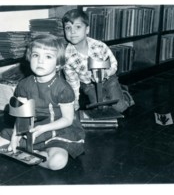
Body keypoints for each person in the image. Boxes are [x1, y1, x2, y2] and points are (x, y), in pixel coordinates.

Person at [0, 34, 85, 170]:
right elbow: (21, 116)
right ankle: (33, 154)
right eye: (35, 55)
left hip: (57, 132)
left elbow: (68, 120)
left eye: (48, 56)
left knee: (57, 162)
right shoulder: (23, 85)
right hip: (29, 129)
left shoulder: (63, 88)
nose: (40, 61)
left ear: (58, 63)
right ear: (29, 58)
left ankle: (36, 156)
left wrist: (43, 128)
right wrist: (16, 135)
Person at [62, 9, 134, 112]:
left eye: (78, 27)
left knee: (120, 108)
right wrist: (75, 100)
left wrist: (107, 72)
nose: (72, 32)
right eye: (68, 28)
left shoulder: (99, 46)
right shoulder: (67, 56)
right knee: (102, 108)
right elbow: (72, 81)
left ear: (87, 30)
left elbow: (113, 63)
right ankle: (110, 96)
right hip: (88, 84)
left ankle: (124, 94)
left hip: (108, 79)